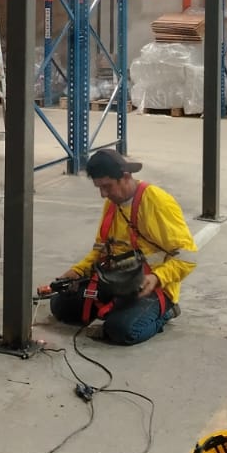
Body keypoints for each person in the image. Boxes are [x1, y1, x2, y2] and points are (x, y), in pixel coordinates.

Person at [46, 146, 197, 346]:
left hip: (150, 286)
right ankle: (120, 310)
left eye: (107, 186)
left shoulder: (157, 202)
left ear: (125, 177)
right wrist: (77, 271)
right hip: (115, 281)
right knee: (60, 305)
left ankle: (165, 312)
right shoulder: (112, 203)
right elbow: (101, 250)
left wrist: (157, 277)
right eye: (99, 188)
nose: (103, 194)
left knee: (121, 330)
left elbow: (188, 257)